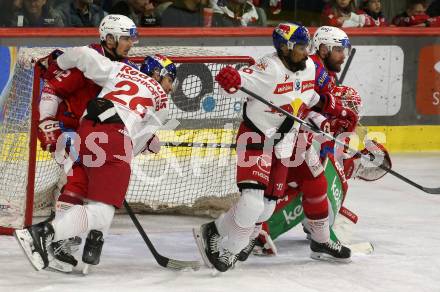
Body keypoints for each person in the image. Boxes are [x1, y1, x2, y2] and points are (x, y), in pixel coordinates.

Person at [193, 22, 352, 273]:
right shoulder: (269, 68)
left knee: (266, 208)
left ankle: (213, 229)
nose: (306, 51)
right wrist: (231, 79)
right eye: (300, 47)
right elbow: (237, 83)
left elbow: (309, 98)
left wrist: (328, 110)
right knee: (253, 202)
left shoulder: (309, 66)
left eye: (307, 45)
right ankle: (228, 248)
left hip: (285, 143)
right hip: (256, 137)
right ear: (284, 48)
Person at [14, 46, 177, 272]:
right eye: (170, 80)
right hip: (115, 135)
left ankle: (73, 240)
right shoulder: (162, 102)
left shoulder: (120, 68)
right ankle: (43, 234)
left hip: (87, 127)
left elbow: (82, 54)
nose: (170, 88)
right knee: (103, 208)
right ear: (157, 74)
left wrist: (58, 65)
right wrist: (146, 146)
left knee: (84, 188)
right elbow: (135, 144)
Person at [35, 14, 139, 272]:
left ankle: (86, 235)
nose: (131, 44)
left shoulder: (125, 66)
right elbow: (52, 90)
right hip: (71, 130)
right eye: (126, 38)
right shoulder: (87, 60)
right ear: (110, 38)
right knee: (78, 179)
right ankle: (58, 241)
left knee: (101, 186)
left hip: (99, 134)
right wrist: (47, 121)